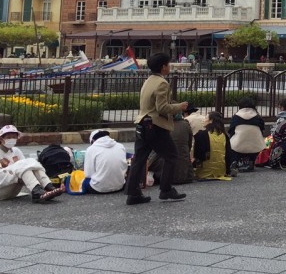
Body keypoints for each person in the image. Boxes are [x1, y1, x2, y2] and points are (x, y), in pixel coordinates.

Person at [126, 52, 189, 205]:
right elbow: (162, 108)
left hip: (142, 123)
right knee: (171, 156)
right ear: (163, 67)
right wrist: (179, 107)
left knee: (139, 159)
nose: (170, 66)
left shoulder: (149, 80)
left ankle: (133, 193)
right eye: (168, 64)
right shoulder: (162, 83)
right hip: (155, 125)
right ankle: (166, 190)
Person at [0, 125, 64, 202]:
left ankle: (48, 187)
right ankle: (37, 192)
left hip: (10, 184)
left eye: (14, 137)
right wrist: (17, 177)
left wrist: (18, 175)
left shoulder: (16, 151)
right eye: (8, 137)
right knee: (23, 168)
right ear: (1, 139)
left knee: (30, 166)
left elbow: (26, 167)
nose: (11, 139)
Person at [227, 96, 266, 172]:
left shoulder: (236, 117)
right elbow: (262, 129)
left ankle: (235, 161)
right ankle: (251, 161)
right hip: (255, 145)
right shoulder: (257, 117)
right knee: (255, 139)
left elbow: (231, 131)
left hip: (238, 145)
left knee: (233, 144)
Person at [83, 128, 127, 194]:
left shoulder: (91, 149)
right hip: (120, 186)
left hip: (98, 188)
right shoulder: (120, 146)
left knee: (82, 181)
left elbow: (88, 174)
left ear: (93, 140)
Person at [193, 111, 233, 180]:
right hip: (221, 171)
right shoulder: (224, 135)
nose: (203, 120)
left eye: (205, 118)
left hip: (204, 172)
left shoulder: (202, 134)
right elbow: (228, 155)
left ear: (211, 121)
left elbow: (198, 154)